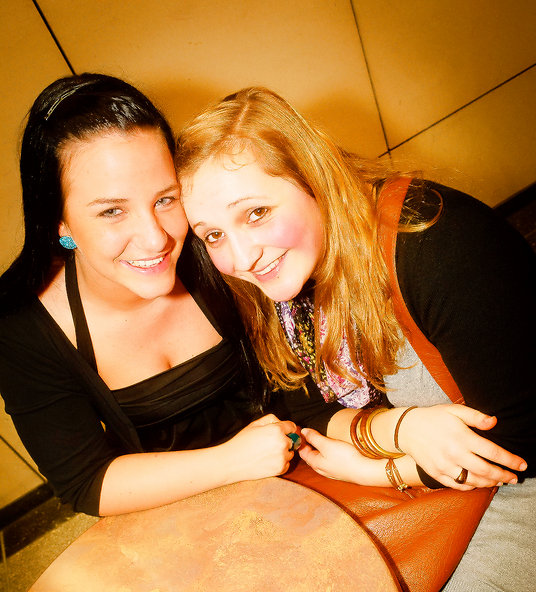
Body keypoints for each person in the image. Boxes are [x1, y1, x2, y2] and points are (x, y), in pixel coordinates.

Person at [176, 87, 536, 592]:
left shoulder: (435, 242)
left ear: (313, 176)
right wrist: (399, 431)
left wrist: (381, 468)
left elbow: (521, 436)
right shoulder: (283, 282)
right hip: (429, 486)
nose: (242, 256)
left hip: (516, 493)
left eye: (256, 212)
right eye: (213, 234)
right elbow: (300, 403)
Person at [0, 74, 342, 519]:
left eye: (165, 199)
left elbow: (308, 376)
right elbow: (86, 482)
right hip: (179, 519)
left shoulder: (220, 246)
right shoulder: (23, 329)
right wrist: (231, 462)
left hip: (319, 465)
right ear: (58, 223)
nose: (155, 238)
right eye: (112, 211)